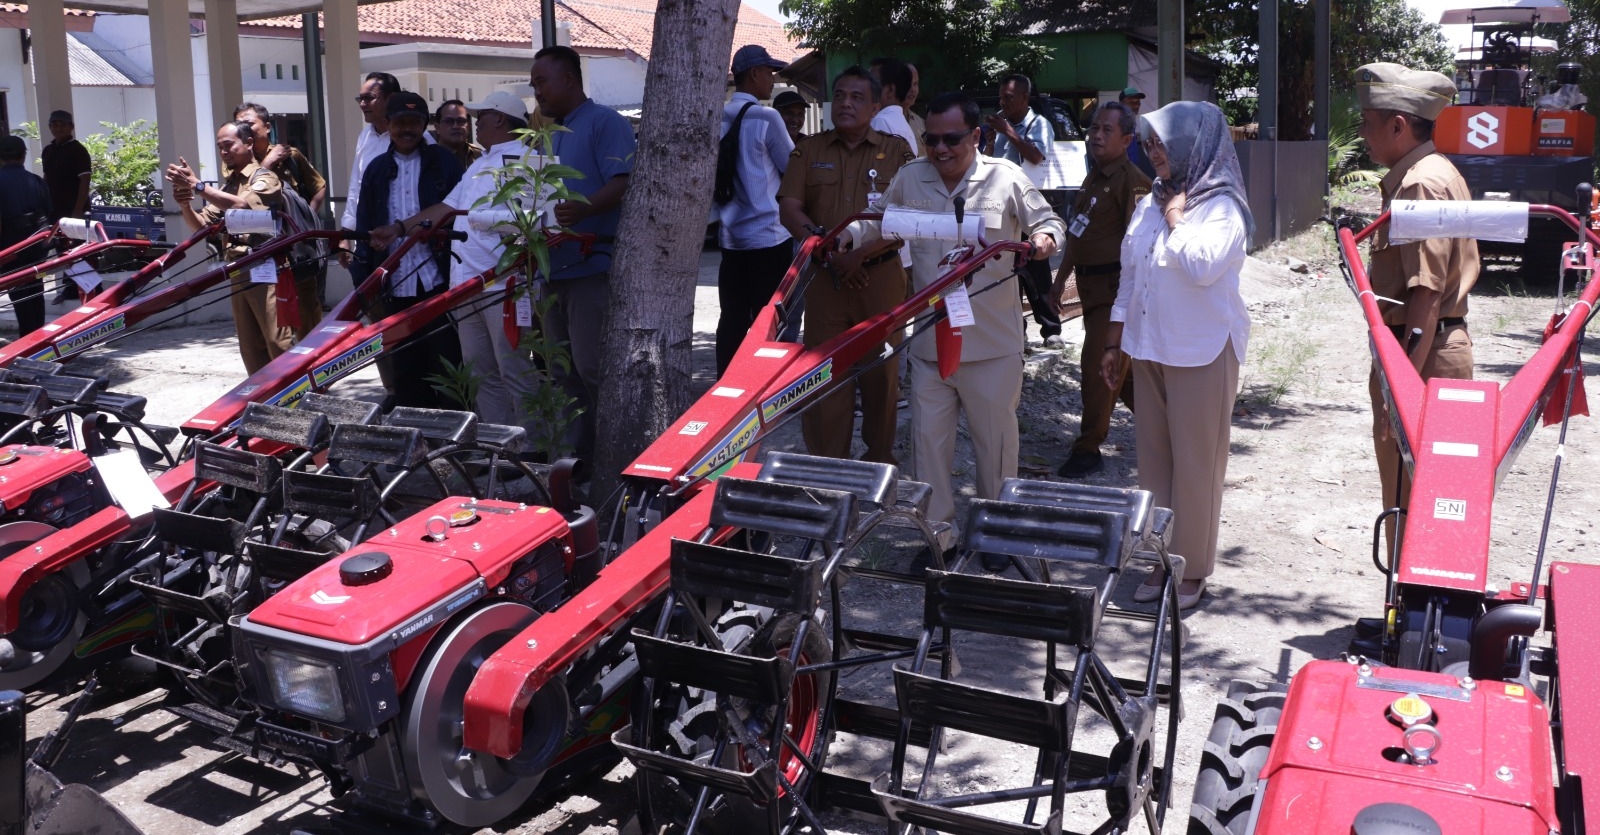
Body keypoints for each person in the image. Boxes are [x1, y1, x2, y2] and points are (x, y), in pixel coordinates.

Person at [844, 92, 1064, 568]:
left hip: (990, 345)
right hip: (930, 341)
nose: (940, 149)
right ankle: (939, 538)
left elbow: (1049, 221)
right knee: (928, 447)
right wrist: (849, 235)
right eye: (932, 140)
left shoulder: (1005, 178)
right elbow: (881, 221)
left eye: (952, 139)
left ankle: (994, 535)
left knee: (996, 449)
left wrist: (1043, 240)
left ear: (976, 136)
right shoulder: (911, 176)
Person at [1104, 101, 1252, 610]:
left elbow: (1204, 266)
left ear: (1195, 143)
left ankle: (1192, 572)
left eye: (1162, 141)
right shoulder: (1153, 198)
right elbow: (1133, 270)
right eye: (1148, 142)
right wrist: (1114, 337)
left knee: (1196, 466)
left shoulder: (1221, 205)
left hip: (1201, 349)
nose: (1153, 152)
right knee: (1154, 463)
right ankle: (1160, 559)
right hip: (1150, 348)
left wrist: (1175, 218)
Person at [1354, 62, 1477, 554]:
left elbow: (1424, 294)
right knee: (1429, 496)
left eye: (1367, 122)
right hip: (1433, 350)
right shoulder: (1435, 171)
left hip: (1422, 358)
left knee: (1412, 499)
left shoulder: (1420, 185)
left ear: (1398, 126)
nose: (1362, 134)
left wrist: (1400, 387)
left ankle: (1410, 615)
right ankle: (1416, 615)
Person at [778, 66, 916, 465]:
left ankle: (878, 463)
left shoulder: (897, 152)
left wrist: (859, 255)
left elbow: (907, 217)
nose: (846, 104)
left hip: (881, 279)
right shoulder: (810, 150)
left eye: (857, 97)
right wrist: (828, 251)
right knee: (824, 374)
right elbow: (790, 207)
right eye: (839, 95)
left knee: (881, 375)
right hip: (826, 280)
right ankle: (827, 467)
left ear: (875, 105)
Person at [385, 91, 542, 434]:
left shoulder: (528, 162)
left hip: (503, 285)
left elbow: (535, 221)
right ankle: (501, 442)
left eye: (480, 115)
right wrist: (398, 229)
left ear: (500, 118)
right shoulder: (481, 164)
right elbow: (445, 208)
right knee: (481, 373)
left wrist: (479, 218)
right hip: (467, 285)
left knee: (513, 368)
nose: (474, 123)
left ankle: (534, 446)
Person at [529, 45, 635, 463]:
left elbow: (624, 181)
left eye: (542, 81)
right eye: (534, 83)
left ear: (569, 80)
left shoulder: (604, 122)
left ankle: (614, 456)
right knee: (560, 370)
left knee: (593, 368)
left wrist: (585, 208)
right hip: (552, 269)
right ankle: (578, 459)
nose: (536, 91)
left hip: (592, 267)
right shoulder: (550, 133)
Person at [1049, 102, 1149, 478]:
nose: (1097, 135)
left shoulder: (1133, 181)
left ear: (1126, 140)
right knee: (1123, 377)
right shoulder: (1093, 179)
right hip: (1091, 292)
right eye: (1094, 128)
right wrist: (1060, 281)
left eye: (1107, 130)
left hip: (1114, 293)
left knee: (1097, 368)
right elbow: (1077, 235)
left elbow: (1137, 246)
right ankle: (1173, 428)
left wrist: (1129, 305)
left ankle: (1088, 448)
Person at [350, 91, 465, 411]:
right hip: (395, 284)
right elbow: (364, 225)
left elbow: (458, 214)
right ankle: (415, 440)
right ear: (387, 124)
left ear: (425, 125)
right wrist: (365, 279)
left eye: (414, 122)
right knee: (405, 367)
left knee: (447, 366)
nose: (407, 129)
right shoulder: (375, 169)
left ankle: (455, 442)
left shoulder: (444, 162)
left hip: (438, 281)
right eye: (400, 122)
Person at [166, 121, 291, 373]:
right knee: (251, 348)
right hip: (239, 268)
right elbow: (201, 227)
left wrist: (198, 186)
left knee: (278, 343)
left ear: (248, 144)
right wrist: (185, 205)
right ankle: (264, 402)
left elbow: (242, 207)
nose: (224, 152)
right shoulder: (229, 185)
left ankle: (296, 401)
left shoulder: (265, 178)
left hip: (267, 269)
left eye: (229, 145)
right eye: (220, 147)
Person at [714, 44, 795, 375]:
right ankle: (766, 387)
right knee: (771, 321)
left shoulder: (717, 116)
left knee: (732, 318)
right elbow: (792, 170)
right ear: (755, 74)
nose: (773, 81)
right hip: (769, 238)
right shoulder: (767, 116)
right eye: (770, 73)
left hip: (730, 237)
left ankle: (726, 384)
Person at [234, 102, 326, 336]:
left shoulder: (290, 156)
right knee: (272, 317)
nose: (245, 129)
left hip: (295, 247)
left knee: (306, 309)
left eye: (249, 123)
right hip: (260, 248)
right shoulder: (237, 162)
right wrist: (267, 165)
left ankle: (312, 360)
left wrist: (306, 218)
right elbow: (242, 198)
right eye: (239, 124)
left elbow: (319, 186)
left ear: (266, 126)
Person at [986, 73, 1061, 348]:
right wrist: (993, 139)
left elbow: (1036, 155)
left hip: (1031, 206)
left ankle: (1051, 329)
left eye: (1008, 98)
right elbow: (990, 160)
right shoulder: (1004, 126)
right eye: (1000, 98)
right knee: (1010, 270)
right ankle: (1020, 331)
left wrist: (1008, 132)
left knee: (1037, 267)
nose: (1002, 103)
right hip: (1003, 206)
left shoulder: (1038, 124)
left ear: (1024, 98)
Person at [0, 136, 54, 334]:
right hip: (36, 245)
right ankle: (37, 336)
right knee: (35, 290)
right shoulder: (37, 181)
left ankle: (28, 339)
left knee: (19, 294)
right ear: (23, 156)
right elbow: (48, 213)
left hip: (10, 247)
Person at [42, 110, 93, 303]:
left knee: (77, 249)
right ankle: (69, 288)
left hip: (74, 209)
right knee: (61, 249)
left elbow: (85, 179)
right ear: (50, 127)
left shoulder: (78, 150)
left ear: (71, 127)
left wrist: (78, 208)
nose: (58, 128)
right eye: (54, 124)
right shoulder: (48, 150)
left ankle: (81, 289)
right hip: (55, 209)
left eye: (62, 124)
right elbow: (47, 178)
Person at [869, 58, 920, 153]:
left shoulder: (881, 122)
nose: (866, 88)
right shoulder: (900, 122)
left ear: (890, 90)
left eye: (872, 83)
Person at [432, 100, 483, 170]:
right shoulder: (429, 158)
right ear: (437, 127)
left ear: (469, 127)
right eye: (448, 121)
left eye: (461, 121)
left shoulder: (479, 155)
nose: (455, 126)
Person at [1120, 87, 1157, 179]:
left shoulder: (1130, 122)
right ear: (1121, 104)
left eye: (1138, 102)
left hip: (1132, 171)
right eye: (1132, 103)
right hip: (1123, 173)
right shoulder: (1119, 123)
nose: (1136, 106)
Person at [904, 63, 926, 156]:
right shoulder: (881, 121)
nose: (913, 89)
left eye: (915, 84)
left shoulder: (921, 123)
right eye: (908, 84)